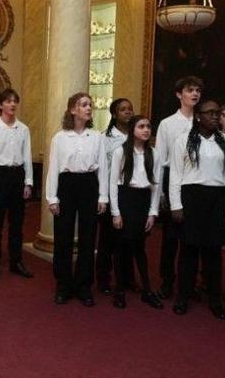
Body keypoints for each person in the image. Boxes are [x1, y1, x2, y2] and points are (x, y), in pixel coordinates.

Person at [169, 100, 225, 320]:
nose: (216, 117)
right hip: (191, 198)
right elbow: (175, 175)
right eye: (210, 113)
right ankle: (183, 296)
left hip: (217, 199)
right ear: (198, 116)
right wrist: (176, 205)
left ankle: (215, 300)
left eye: (218, 113)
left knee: (213, 252)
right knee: (188, 251)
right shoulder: (183, 140)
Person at [45, 92, 108, 307]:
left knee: (88, 237)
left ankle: (84, 286)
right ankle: (63, 285)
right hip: (67, 185)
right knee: (63, 236)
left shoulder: (97, 136)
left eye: (90, 104)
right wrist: (52, 198)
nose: (89, 108)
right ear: (73, 110)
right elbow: (53, 168)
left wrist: (103, 196)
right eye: (84, 105)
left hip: (89, 184)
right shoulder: (60, 137)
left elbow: (103, 169)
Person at [108, 115, 164, 310]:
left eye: (148, 126)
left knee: (139, 248)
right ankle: (120, 289)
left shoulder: (154, 154)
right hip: (125, 199)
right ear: (133, 130)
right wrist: (115, 212)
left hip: (142, 201)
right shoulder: (120, 152)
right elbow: (113, 183)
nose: (146, 130)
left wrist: (152, 212)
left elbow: (156, 186)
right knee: (122, 248)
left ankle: (147, 289)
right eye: (141, 126)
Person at [155, 76, 202, 299]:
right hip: (171, 180)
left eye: (197, 91)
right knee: (170, 238)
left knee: (192, 237)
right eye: (189, 90)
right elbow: (160, 160)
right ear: (178, 94)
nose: (194, 94)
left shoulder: (202, 123)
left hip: (195, 183)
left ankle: (189, 282)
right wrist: (161, 193)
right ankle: (167, 281)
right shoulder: (167, 124)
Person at [0, 89, 34, 281]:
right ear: (0, 105)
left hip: (17, 176)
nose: (12, 104)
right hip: (0, 176)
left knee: (17, 224)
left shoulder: (24, 129)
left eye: (14, 101)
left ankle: (16, 261)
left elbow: (27, 157)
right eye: (8, 101)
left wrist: (28, 182)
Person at [96, 98, 133, 295]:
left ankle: (126, 277)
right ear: (114, 114)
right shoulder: (105, 137)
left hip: (131, 193)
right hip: (111, 192)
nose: (127, 112)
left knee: (128, 238)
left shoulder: (137, 135)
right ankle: (103, 278)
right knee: (107, 240)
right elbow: (102, 169)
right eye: (122, 109)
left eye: (130, 109)